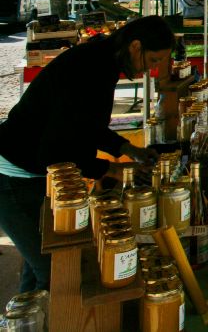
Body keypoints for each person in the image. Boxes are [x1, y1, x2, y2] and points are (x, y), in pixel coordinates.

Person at [0, 15, 168, 291]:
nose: (152, 70)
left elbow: (86, 126)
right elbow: (56, 151)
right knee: (54, 273)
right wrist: (110, 170)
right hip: (15, 174)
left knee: (39, 263)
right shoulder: (92, 68)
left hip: (31, 171)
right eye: (153, 60)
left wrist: (128, 150)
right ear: (136, 47)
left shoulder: (102, 60)